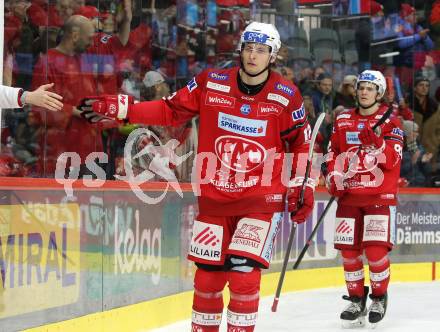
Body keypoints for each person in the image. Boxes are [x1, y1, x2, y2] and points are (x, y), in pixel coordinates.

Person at [85, 22, 315, 332]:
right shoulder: (212, 82)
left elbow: (301, 144)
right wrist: (126, 110)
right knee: (207, 277)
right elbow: (170, 110)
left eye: (261, 50)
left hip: (260, 199)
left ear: (272, 56)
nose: (252, 55)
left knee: (244, 274)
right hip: (214, 198)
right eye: (248, 47)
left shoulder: (286, 96)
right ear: (240, 50)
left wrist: (304, 184)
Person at [326, 70, 403, 327]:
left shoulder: (391, 121)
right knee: (349, 252)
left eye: (370, 88)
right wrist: (333, 177)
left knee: (375, 251)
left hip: (379, 195)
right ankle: (357, 299)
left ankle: (379, 297)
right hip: (349, 196)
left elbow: (393, 159)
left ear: (379, 93)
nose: (364, 91)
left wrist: (379, 146)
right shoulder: (343, 119)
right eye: (361, 87)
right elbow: (333, 151)